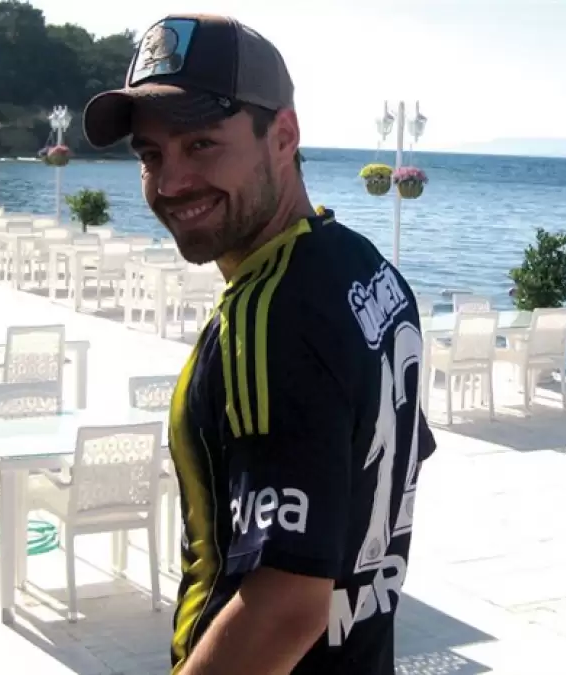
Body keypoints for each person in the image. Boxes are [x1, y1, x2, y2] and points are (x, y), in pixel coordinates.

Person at [82, 14, 436, 675]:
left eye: (202, 144)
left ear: (283, 137)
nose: (170, 184)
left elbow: (284, 605)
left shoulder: (268, 316)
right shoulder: (367, 270)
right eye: (151, 156)